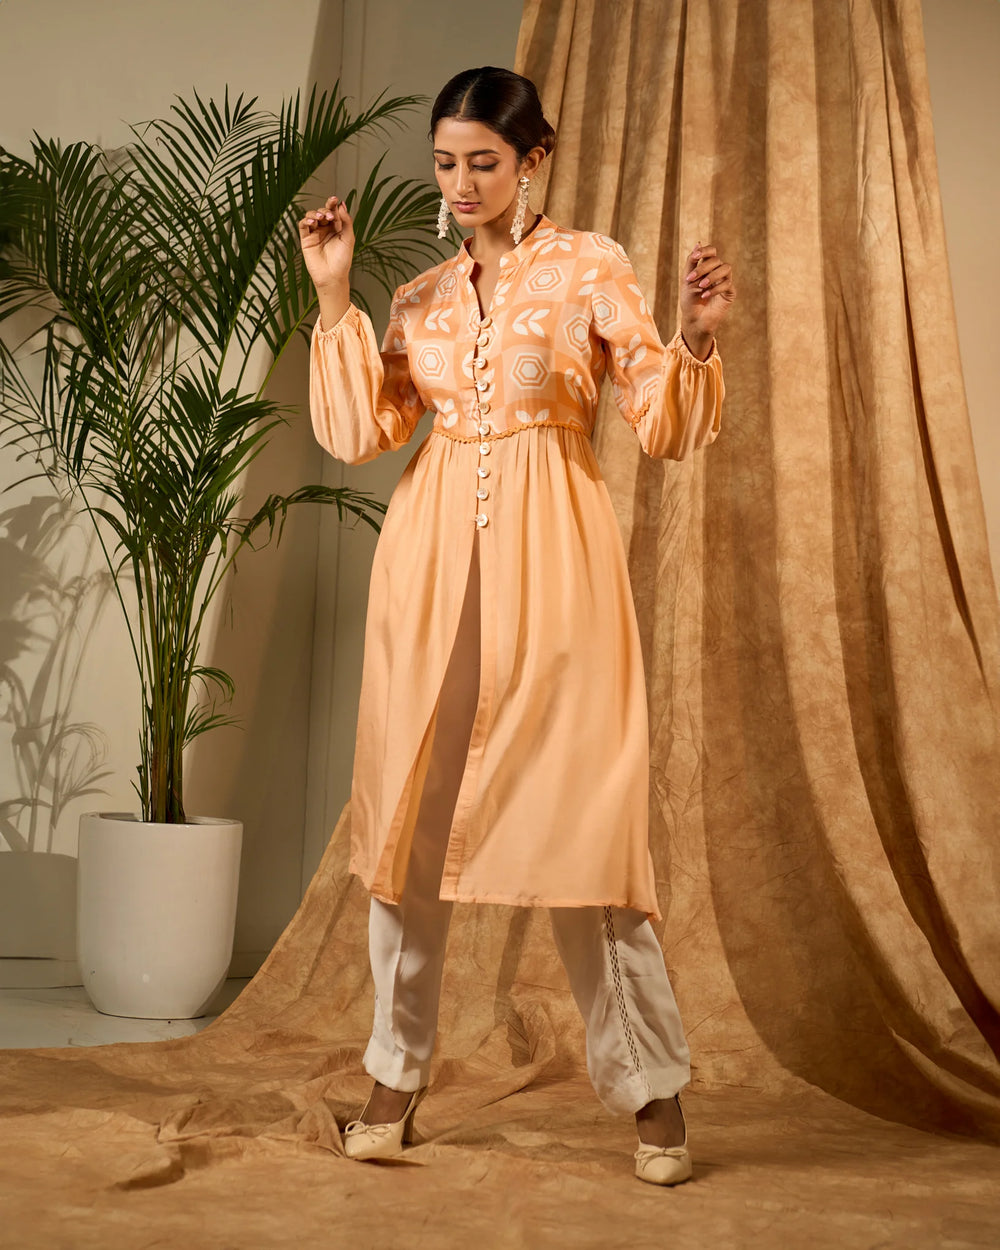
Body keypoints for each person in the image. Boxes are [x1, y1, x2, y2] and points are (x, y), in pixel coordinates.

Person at [299, 65, 735, 1186]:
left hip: (559, 569)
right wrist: (335, 297)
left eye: (483, 162)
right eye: (445, 164)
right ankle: (394, 1076)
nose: (461, 184)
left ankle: (652, 1092)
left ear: (532, 159)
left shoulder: (591, 266)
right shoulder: (422, 297)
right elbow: (360, 430)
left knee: (585, 826)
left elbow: (662, 423)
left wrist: (694, 339)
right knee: (409, 828)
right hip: (429, 574)